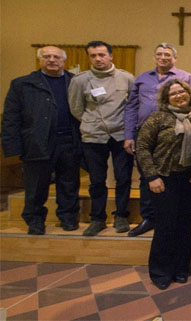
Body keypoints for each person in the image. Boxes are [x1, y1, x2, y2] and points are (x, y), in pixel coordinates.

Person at [1, 46, 82, 235]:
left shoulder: (74, 82)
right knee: (36, 186)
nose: (52, 60)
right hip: (37, 142)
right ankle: (35, 220)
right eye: (47, 57)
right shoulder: (23, 85)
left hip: (69, 141)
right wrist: (13, 148)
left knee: (69, 184)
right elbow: (10, 119)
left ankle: (68, 217)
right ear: (39, 60)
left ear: (64, 60)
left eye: (56, 57)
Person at [124, 43, 191, 237]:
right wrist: (129, 135)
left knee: (180, 212)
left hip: (181, 144)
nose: (163, 57)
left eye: (167, 54)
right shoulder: (142, 79)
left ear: (175, 57)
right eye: (159, 54)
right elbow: (131, 107)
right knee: (147, 179)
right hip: (148, 132)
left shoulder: (185, 77)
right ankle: (148, 218)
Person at [135, 79, 191, 290]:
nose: (179, 96)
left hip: (189, 180)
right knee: (165, 226)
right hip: (163, 179)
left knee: (184, 225)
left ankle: (181, 268)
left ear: (189, 94)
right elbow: (142, 147)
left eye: (181, 91)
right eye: (173, 94)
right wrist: (152, 177)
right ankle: (161, 271)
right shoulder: (157, 118)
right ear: (166, 98)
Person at [68, 40, 135, 236]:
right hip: (94, 136)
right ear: (89, 57)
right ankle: (98, 218)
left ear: (110, 56)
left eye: (102, 55)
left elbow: (132, 106)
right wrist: (92, 123)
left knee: (123, 178)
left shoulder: (126, 78)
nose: (98, 59)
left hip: (122, 135)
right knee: (97, 180)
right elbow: (76, 108)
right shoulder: (80, 81)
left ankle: (121, 215)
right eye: (93, 55)